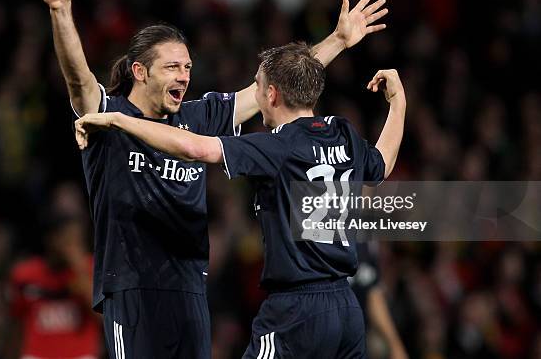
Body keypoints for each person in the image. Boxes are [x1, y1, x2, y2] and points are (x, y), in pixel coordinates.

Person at [37, 0, 389, 358]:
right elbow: (78, 80)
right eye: (172, 67)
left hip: (189, 285)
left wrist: (338, 41)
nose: (185, 76)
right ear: (140, 72)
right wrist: (60, 10)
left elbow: (276, 89)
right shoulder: (107, 116)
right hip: (132, 286)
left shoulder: (198, 116)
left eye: (187, 66)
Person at [75, 42, 406, 358]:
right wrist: (398, 103)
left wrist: (119, 120)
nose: (255, 95)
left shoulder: (275, 147)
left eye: (258, 86)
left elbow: (195, 147)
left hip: (296, 309)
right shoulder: (343, 133)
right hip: (346, 309)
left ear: (272, 94)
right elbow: (383, 163)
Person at [6, 213, 99, 359]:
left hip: (80, 355)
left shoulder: (92, 268)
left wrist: (79, 269)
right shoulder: (24, 274)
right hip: (37, 355)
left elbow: (103, 318)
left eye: (77, 241)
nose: (73, 247)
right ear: (51, 239)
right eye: (68, 240)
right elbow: (16, 324)